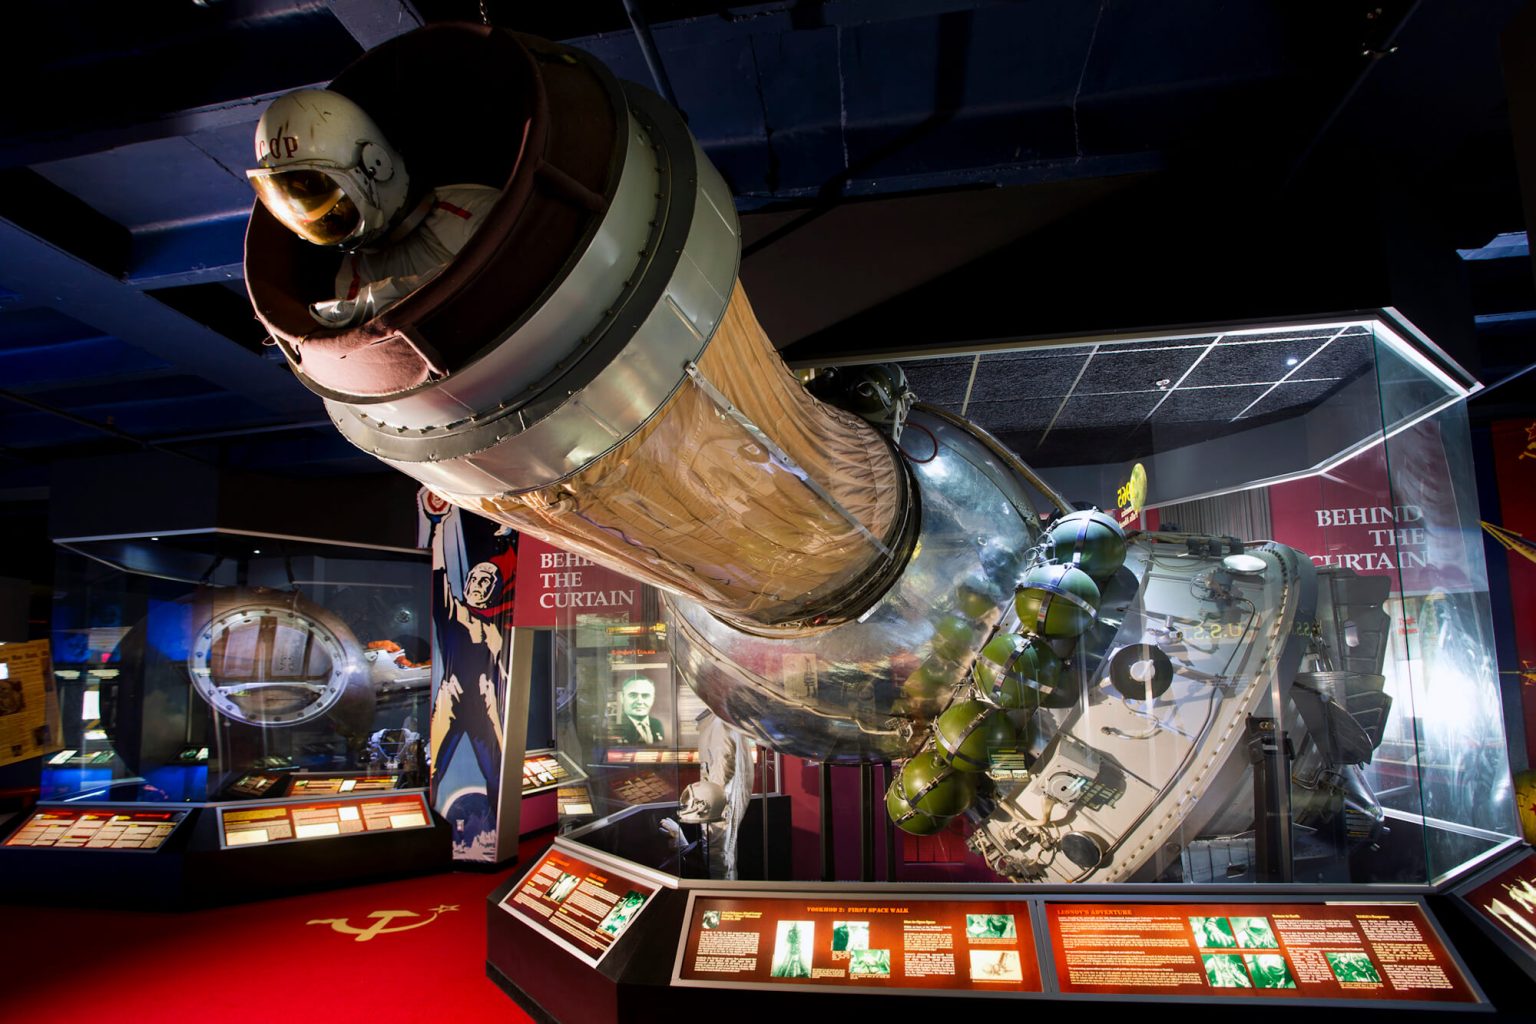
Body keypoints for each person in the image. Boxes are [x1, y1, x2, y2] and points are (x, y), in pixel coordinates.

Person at [247, 88, 499, 328]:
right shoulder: (353, 277)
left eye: (321, 194)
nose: (322, 216)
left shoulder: (474, 212)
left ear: (375, 165)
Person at [616, 677, 664, 745]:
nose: (639, 701)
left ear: (653, 699)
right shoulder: (617, 727)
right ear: (622, 698)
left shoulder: (656, 724)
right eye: (633, 695)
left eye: (645, 696)